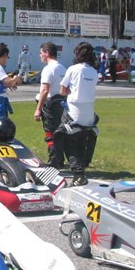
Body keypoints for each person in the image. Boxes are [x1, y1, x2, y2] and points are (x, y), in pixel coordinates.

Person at [59, 41, 99, 186]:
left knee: (68, 142)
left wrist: (71, 90)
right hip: (89, 110)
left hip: (74, 109)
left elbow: (63, 90)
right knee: (82, 141)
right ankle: (82, 166)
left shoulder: (73, 69)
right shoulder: (94, 72)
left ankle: (78, 174)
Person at [33, 41, 67, 168]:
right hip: (61, 103)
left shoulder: (48, 69)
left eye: (41, 53)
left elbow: (45, 90)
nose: (40, 56)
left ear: (47, 53)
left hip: (50, 104)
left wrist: (38, 109)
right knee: (59, 132)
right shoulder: (62, 68)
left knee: (50, 133)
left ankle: (54, 160)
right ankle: (59, 158)